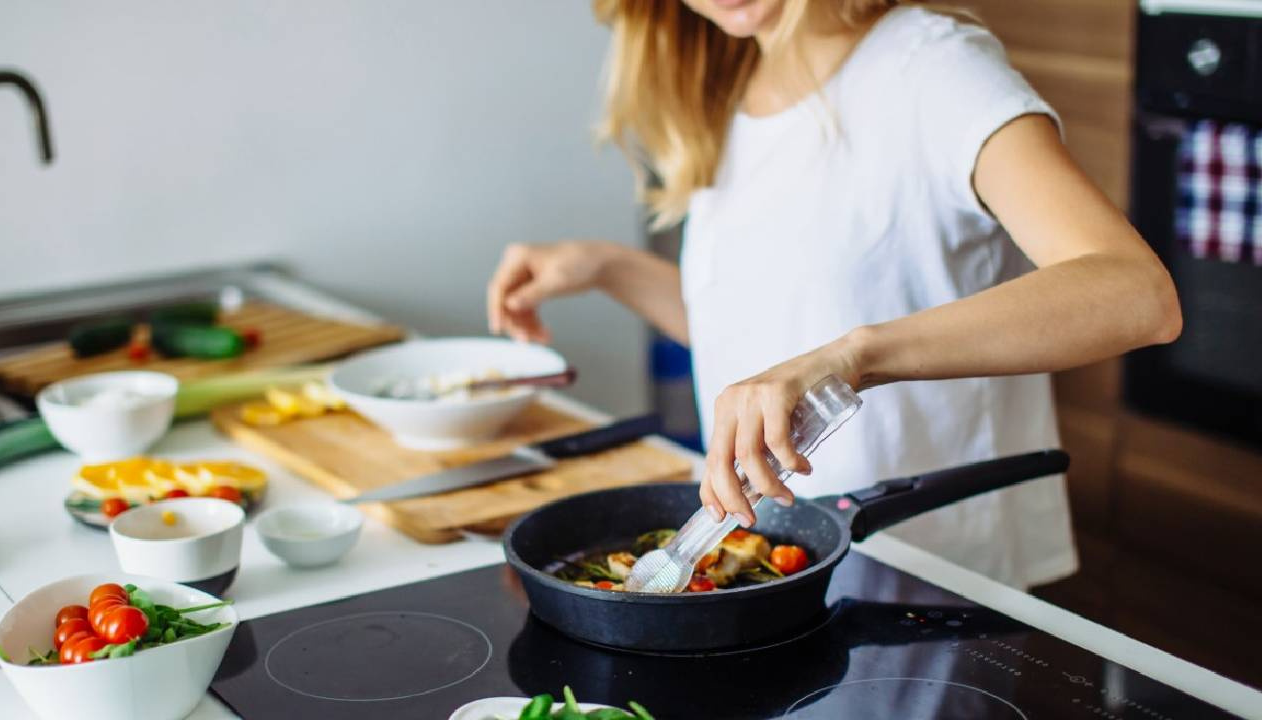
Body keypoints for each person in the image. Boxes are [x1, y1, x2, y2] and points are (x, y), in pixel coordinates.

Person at [485, 0, 1181, 590]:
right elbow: (768, 340)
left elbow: (1135, 293)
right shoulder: (734, 83)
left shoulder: (934, 69)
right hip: (787, 569)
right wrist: (608, 268)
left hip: (936, 577)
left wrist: (855, 357)